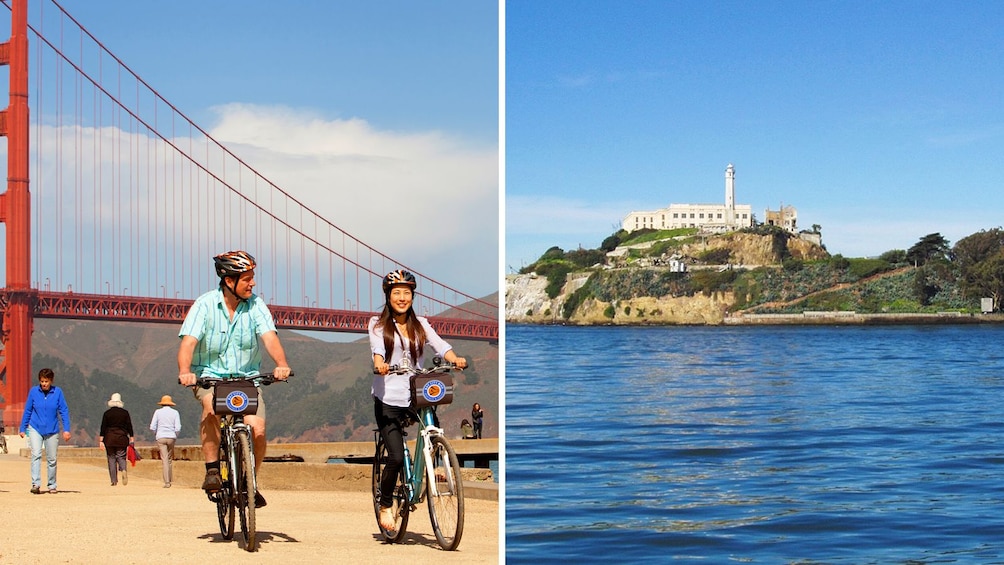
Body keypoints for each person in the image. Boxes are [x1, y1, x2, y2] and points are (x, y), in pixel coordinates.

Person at [177, 250, 292, 509]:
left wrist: (281, 364)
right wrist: (185, 370)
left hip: (247, 380)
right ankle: (212, 470)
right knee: (211, 408)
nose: (252, 283)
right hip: (210, 377)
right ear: (229, 281)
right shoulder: (204, 305)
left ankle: (250, 482)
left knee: (258, 430)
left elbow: (269, 338)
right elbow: (189, 342)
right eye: (247, 279)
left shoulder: (256, 305)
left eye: (253, 278)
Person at [370, 269, 467, 531]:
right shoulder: (377, 325)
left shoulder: (421, 324)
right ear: (388, 296)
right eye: (396, 293)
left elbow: (440, 345)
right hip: (388, 398)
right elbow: (378, 349)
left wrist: (454, 359)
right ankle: (386, 503)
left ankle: (434, 461)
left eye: (407, 293)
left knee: (433, 429)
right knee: (397, 458)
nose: (402, 298)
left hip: (416, 394)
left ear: (413, 296)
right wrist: (380, 364)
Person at [18, 368, 72, 494]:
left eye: (46, 381)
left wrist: (67, 430)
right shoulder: (33, 392)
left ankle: (52, 484)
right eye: (42, 381)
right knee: (36, 454)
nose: (44, 384)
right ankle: (35, 484)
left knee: (51, 458)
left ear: (51, 381)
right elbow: (28, 410)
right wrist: (23, 428)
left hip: (52, 429)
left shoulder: (58, 392)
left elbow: (63, 411)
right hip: (35, 427)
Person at [98, 393, 134, 486]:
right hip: (122, 437)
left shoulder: (107, 413)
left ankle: (113, 480)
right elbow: (129, 425)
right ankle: (124, 469)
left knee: (111, 458)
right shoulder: (125, 413)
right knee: (121, 456)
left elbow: (103, 427)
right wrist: (132, 436)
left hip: (109, 438)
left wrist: (101, 440)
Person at [150, 394, 182, 488]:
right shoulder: (175, 413)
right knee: (169, 459)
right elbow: (178, 427)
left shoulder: (157, 412)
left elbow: (152, 426)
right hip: (171, 437)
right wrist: (174, 436)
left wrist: (156, 434)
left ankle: (167, 482)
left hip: (161, 436)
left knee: (164, 460)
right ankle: (170, 479)